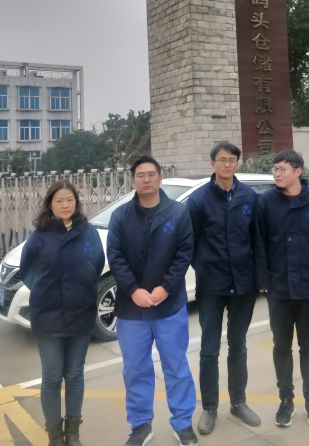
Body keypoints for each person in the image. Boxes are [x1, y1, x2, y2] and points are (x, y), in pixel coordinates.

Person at [107, 155, 197, 446]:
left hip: (169, 306)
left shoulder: (178, 212)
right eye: (140, 175)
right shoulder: (121, 216)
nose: (146, 179)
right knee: (135, 369)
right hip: (132, 308)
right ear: (132, 180)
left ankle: (183, 423)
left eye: (151, 174)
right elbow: (115, 256)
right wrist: (133, 290)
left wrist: (166, 288)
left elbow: (184, 253)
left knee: (176, 366)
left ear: (160, 177)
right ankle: (141, 425)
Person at [255, 149, 309, 429]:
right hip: (277, 287)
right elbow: (259, 242)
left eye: (282, 169)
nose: (277, 174)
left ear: (298, 171)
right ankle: (286, 400)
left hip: (308, 286)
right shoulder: (266, 201)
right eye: (275, 169)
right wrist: (263, 280)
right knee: (281, 346)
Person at [19, 180, 105, 446]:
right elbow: (27, 270)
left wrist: (81, 290)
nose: (65, 205)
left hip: (80, 314)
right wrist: (47, 292)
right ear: (50, 204)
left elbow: (97, 263)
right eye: (59, 200)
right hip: (48, 316)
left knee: (75, 374)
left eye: (70, 199)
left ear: (76, 202)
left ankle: (73, 434)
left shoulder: (88, 232)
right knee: (52, 376)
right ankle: (55, 437)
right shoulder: (40, 235)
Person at [188, 141, 260, 435]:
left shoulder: (248, 196)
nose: (227, 164)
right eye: (222, 160)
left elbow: (257, 240)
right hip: (212, 287)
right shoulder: (199, 200)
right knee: (209, 349)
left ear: (237, 163)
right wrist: (205, 267)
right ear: (212, 164)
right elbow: (190, 243)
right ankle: (210, 407)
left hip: (243, 285)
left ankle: (238, 402)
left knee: (238, 346)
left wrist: (259, 278)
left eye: (232, 160)